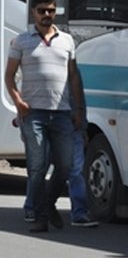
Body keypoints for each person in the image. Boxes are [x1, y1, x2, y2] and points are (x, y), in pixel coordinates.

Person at [5, 0, 85, 233]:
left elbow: (73, 77)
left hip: (62, 113)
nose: (47, 15)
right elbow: (9, 76)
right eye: (42, 11)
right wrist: (18, 101)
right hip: (34, 114)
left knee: (65, 165)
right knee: (37, 168)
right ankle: (40, 217)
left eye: (51, 10)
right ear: (33, 13)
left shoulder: (67, 40)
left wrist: (78, 108)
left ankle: (48, 204)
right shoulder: (22, 41)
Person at [21, 75, 98, 227]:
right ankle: (32, 207)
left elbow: (79, 97)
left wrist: (82, 126)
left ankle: (79, 212)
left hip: (69, 124)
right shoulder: (36, 64)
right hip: (42, 122)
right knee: (39, 167)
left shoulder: (71, 67)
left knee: (74, 168)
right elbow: (26, 95)